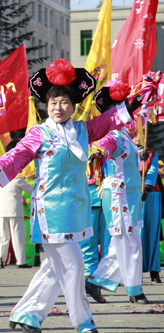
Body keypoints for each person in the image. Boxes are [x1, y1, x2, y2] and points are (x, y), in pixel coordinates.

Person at [0, 59, 141, 333]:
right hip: (50, 210)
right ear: (46, 106)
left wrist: (134, 103)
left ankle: (26, 314)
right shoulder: (39, 133)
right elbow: (14, 158)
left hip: (75, 209)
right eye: (53, 103)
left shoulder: (84, 130)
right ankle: (83, 321)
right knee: (73, 265)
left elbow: (108, 120)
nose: (58, 108)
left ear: (74, 106)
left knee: (55, 268)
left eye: (64, 103)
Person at [85, 80, 149, 304]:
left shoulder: (125, 135)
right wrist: (99, 152)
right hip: (118, 197)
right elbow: (103, 147)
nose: (127, 110)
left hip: (130, 197)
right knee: (129, 242)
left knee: (121, 244)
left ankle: (95, 281)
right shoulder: (111, 135)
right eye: (121, 106)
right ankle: (134, 291)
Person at [80, 146, 110, 295]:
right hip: (88, 196)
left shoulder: (110, 143)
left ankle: (105, 275)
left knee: (108, 241)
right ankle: (88, 273)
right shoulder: (80, 144)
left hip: (108, 194)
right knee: (88, 240)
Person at [0, 176, 33, 269]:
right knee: (18, 237)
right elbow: (31, 190)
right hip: (15, 211)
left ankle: (0, 260)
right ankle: (20, 261)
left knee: (2, 237)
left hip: (2, 211)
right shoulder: (17, 178)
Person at [137, 141, 162, 284]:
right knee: (134, 234)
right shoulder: (123, 148)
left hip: (150, 194)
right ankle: (134, 270)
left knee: (151, 232)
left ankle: (154, 270)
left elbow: (152, 171)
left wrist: (146, 188)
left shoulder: (152, 152)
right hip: (130, 192)